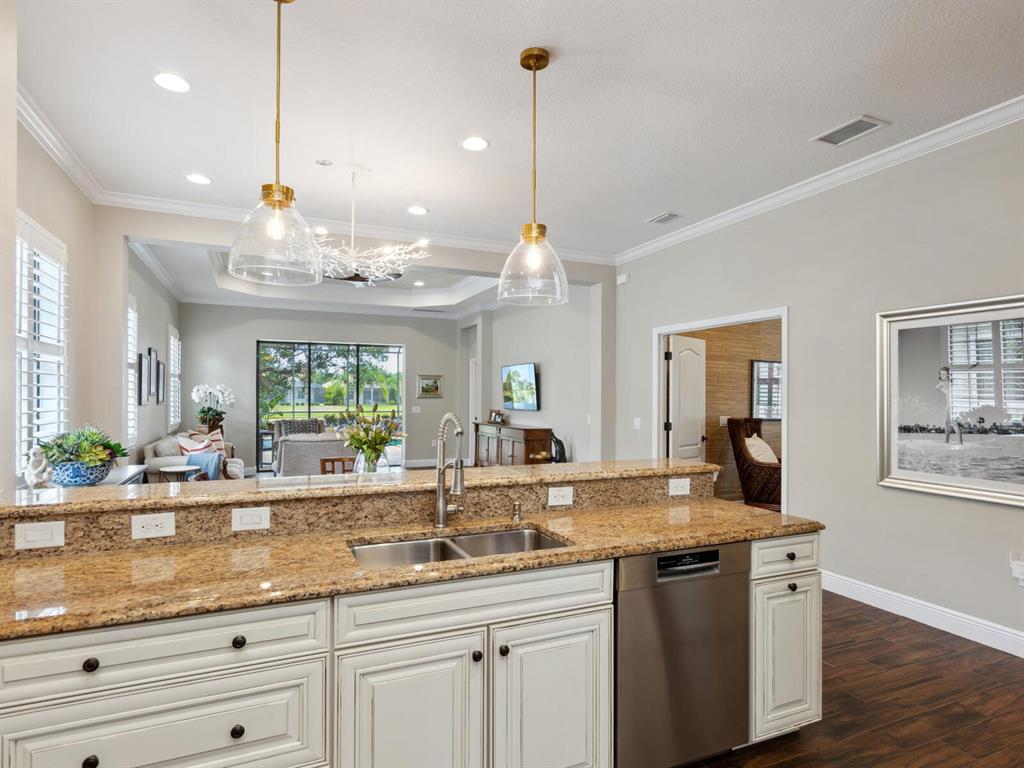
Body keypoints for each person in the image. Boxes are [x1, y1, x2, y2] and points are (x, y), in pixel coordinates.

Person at [935, 366, 963, 445]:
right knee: (948, 423)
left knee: (951, 423)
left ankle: (953, 442)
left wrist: (940, 382)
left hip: (950, 405)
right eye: (941, 374)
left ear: (948, 375)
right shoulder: (951, 383)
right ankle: (951, 441)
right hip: (953, 405)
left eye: (944, 374)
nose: (942, 375)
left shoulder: (944, 384)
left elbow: (936, 388)